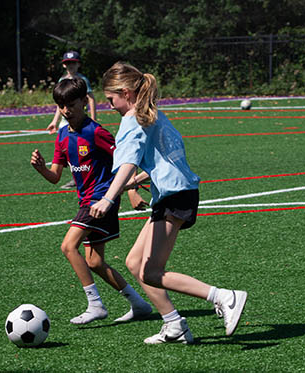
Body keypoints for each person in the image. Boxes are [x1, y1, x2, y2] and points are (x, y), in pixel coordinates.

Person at [90, 62, 248, 344]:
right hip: (177, 192)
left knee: (151, 271)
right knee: (135, 262)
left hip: (175, 195)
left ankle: (224, 297)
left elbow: (127, 162)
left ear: (125, 93)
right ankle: (174, 324)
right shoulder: (152, 114)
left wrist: (108, 197)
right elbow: (163, 159)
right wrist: (136, 181)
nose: (109, 106)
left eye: (111, 100)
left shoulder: (132, 120)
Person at [31, 76, 152, 325]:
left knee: (68, 246)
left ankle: (95, 304)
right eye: (61, 106)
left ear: (83, 103)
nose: (66, 111)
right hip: (87, 201)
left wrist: (130, 190)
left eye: (71, 105)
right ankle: (138, 304)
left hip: (101, 199)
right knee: (94, 261)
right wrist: (41, 169)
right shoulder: (63, 136)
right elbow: (55, 177)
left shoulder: (96, 133)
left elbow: (127, 159)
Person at [47, 51, 97, 189]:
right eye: (68, 63)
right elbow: (60, 104)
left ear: (78, 64)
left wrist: (93, 117)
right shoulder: (61, 81)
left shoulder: (82, 80)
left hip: (78, 117)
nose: (71, 66)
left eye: (73, 63)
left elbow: (91, 99)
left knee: (82, 147)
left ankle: (86, 174)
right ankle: (76, 176)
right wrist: (54, 121)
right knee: (68, 148)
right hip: (65, 120)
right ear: (64, 65)